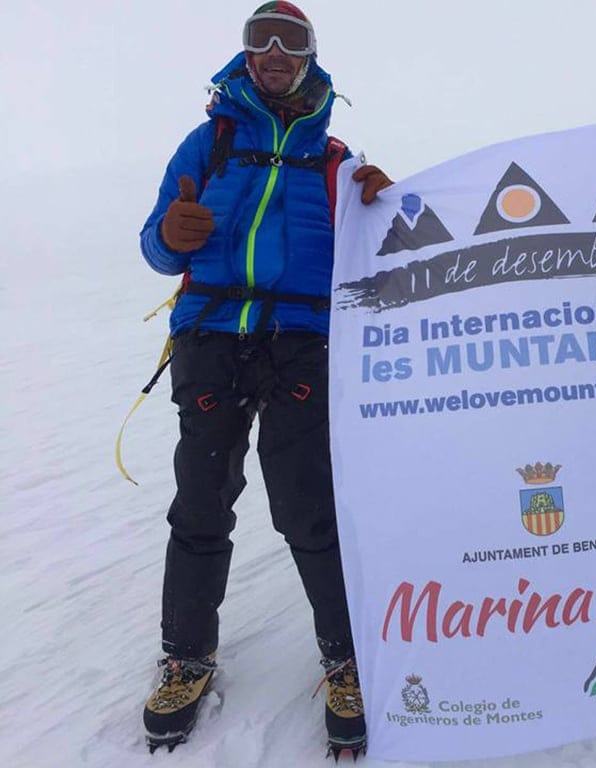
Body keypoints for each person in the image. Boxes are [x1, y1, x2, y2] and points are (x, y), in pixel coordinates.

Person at [138, 1, 391, 756]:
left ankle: (346, 659)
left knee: (308, 504)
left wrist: (382, 206)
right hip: (211, 335)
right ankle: (187, 656)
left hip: (301, 343)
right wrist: (169, 237)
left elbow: (382, 251)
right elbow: (156, 244)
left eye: (292, 40)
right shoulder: (209, 140)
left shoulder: (336, 157)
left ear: (312, 56)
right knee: (203, 498)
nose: (275, 50)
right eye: (261, 38)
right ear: (246, 55)